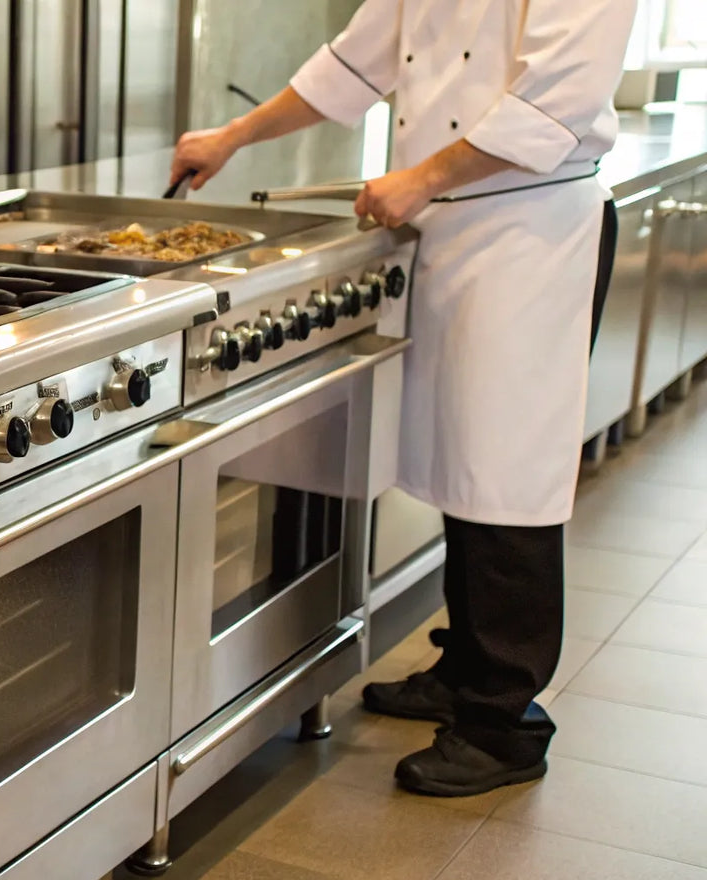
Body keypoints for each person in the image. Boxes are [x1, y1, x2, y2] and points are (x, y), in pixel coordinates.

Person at [173, 0, 636, 798]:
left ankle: (504, 724)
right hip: (449, 228)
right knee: (463, 462)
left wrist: (420, 177)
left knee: (507, 477)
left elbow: (555, 102)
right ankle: (466, 672)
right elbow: (354, 64)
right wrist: (232, 137)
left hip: (530, 232)